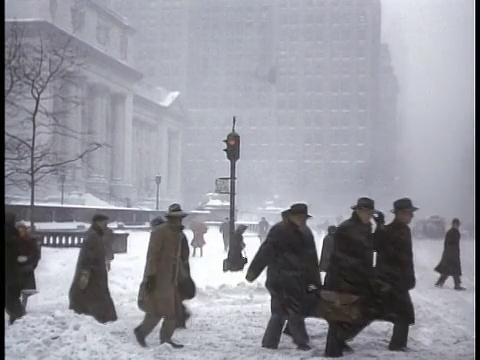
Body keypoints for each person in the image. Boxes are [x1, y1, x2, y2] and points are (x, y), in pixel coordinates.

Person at [246, 204, 322, 352]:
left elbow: (311, 259)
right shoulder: (279, 231)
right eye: (298, 217)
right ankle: (301, 341)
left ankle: (270, 342)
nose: (301, 220)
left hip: (298, 279)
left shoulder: (306, 233)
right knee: (292, 310)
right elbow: (265, 252)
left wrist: (315, 282)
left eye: (303, 217)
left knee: (281, 311)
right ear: (290, 216)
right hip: (280, 278)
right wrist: (253, 272)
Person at [323, 197, 376, 358]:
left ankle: (339, 342)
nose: (367, 214)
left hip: (356, 279)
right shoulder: (348, 228)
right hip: (342, 279)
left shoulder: (365, 228)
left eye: (370, 212)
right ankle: (332, 352)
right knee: (339, 316)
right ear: (357, 211)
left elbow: (373, 248)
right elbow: (342, 257)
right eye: (364, 211)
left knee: (356, 314)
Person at [134, 204, 189, 349]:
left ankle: (160, 337)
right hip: (159, 278)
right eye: (175, 218)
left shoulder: (178, 234)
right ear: (169, 218)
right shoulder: (160, 233)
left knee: (164, 311)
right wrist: (151, 277)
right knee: (163, 311)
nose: (178, 221)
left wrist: (181, 275)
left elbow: (180, 257)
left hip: (171, 279)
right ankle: (148, 334)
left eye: (180, 218)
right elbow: (152, 256)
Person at [374, 198, 417, 352]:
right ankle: (397, 345)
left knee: (399, 313)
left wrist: (409, 277)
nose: (411, 216)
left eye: (411, 213)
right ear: (399, 214)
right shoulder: (390, 230)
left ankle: (398, 344)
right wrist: (379, 226)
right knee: (400, 313)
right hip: (390, 280)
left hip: (399, 280)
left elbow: (406, 258)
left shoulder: (404, 230)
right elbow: (376, 246)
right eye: (409, 213)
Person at [68, 214, 118, 324]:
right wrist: (85, 273)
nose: (106, 225)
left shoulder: (97, 235)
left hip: (95, 270)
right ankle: (101, 315)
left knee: (93, 293)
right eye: (104, 222)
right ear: (98, 222)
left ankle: (99, 314)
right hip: (92, 271)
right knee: (92, 293)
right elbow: (87, 256)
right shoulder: (93, 236)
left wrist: (107, 260)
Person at [434, 218, 465, 290]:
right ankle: (440, 283)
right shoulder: (451, 232)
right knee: (449, 270)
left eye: (458, 224)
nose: (457, 226)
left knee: (452, 270)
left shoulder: (456, 232)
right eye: (456, 224)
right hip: (450, 254)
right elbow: (448, 243)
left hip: (453, 253)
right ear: (453, 224)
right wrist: (449, 253)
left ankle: (455, 285)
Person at [5, 211, 25, 325]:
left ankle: (18, 317)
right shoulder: (15, 235)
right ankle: (18, 317)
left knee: (11, 297)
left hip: (11, 270)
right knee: (13, 297)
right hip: (14, 271)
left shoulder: (12, 236)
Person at [16, 223, 41, 310]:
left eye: (22, 231)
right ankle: (15, 307)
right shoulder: (13, 241)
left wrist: (29, 262)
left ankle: (23, 307)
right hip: (15, 268)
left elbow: (36, 255)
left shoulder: (31, 241)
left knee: (25, 290)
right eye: (19, 231)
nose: (21, 233)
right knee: (14, 289)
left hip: (27, 269)